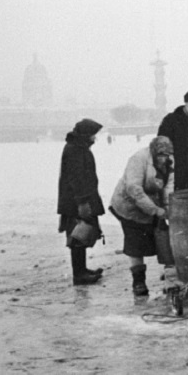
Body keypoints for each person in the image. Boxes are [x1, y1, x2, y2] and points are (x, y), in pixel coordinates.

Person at [109, 136, 175, 296]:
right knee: (135, 243)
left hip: (150, 201)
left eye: (166, 155)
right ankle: (138, 282)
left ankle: (171, 277)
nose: (163, 158)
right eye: (160, 155)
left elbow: (168, 187)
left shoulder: (170, 163)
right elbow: (134, 189)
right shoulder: (138, 159)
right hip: (128, 206)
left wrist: (167, 208)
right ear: (153, 151)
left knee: (163, 238)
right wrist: (154, 210)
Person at [57, 118, 105, 285]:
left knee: (81, 234)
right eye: (93, 135)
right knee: (77, 236)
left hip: (78, 199)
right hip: (76, 202)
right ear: (86, 134)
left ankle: (82, 270)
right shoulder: (75, 150)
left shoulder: (78, 147)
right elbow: (76, 179)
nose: (94, 138)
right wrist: (82, 203)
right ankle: (79, 274)